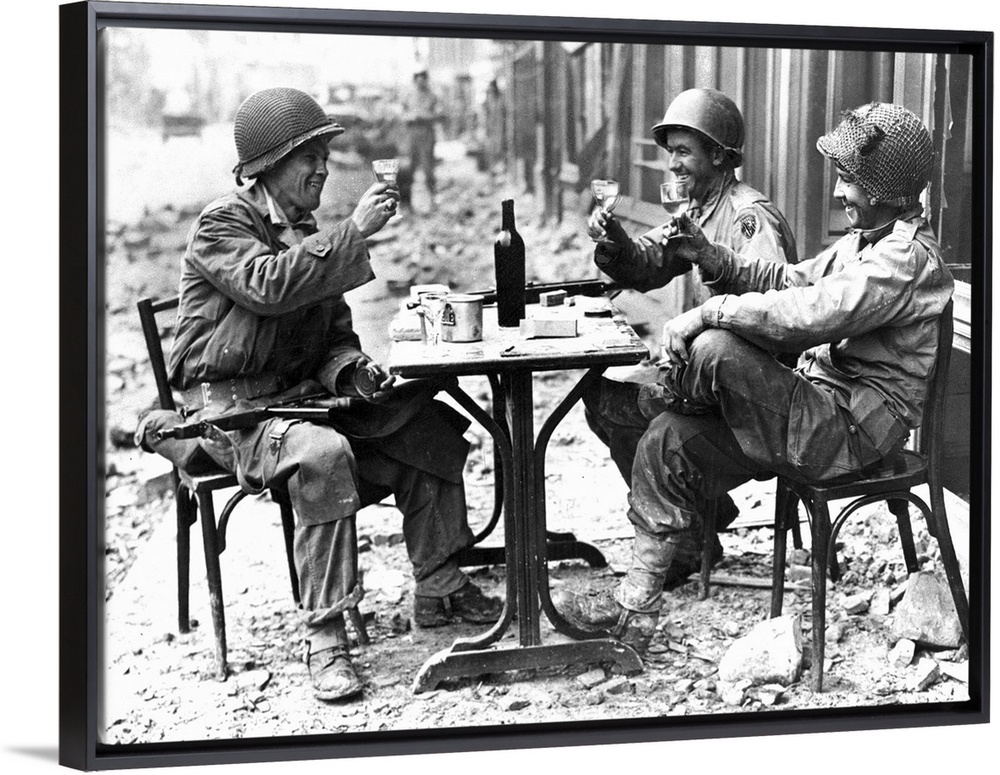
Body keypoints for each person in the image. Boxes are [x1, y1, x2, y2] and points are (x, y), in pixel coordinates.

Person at [138, 87, 501, 702]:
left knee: (427, 423)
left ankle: (439, 588)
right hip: (235, 416)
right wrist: (353, 234)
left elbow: (333, 337)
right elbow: (267, 287)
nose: (324, 166)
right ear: (267, 166)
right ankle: (325, 635)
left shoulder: (306, 233)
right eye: (310, 153)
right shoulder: (222, 224)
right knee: (322, 456)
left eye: (325, 151)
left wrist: (353, 372)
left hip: (300, 401)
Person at [560, 102, 953, 652]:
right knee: (666, 436)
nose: (839, 193)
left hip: (850, 434)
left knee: (714, 348)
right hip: (816, 412)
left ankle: (673, 388)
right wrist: (711, 255)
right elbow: (787, 278)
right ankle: (634, 609)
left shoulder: (905, 259)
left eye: (849, 181)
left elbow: (814, 311)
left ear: (885, 188)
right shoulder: (865, 241)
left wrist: (708, 312)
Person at [582, 88, 798, 586]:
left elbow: (778, 299)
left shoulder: (748, 216)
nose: (672, 164)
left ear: (719, 156)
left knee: (623, 403)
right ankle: (698, 525)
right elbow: (648, 263)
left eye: (684, 152)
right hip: (707, 372)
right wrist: (613, 238)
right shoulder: (698, 209)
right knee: (603, 396)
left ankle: (686, 538)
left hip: (750, 385)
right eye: (669, 152)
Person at [401, 69, 444, 204]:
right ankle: (406, 202)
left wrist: (424, 116)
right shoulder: (408, 96)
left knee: (428, 168)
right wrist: (410, 117)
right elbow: (402, 114)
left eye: (423, 79)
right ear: (415, 81)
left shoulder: (433, 97)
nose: (420, 83)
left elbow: (440, 115)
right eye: (418, 80)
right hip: (412, 134)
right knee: (409, 167)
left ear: (426, 80)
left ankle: (432, 199)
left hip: (426, 134)